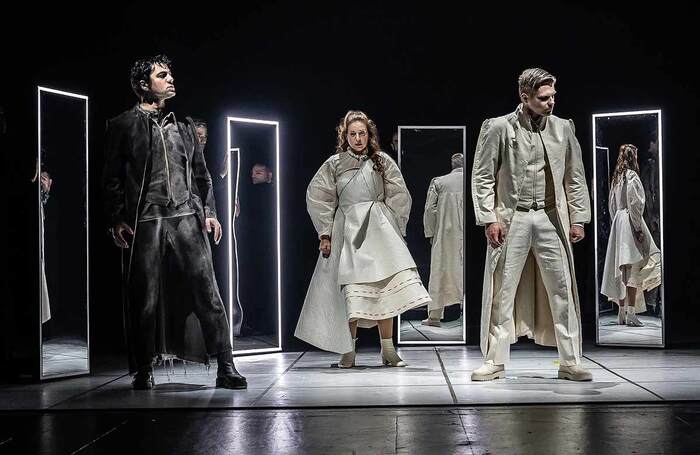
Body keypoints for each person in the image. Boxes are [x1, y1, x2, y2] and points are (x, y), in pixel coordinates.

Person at [102, 54, 246, 390]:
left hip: (185, 215)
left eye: (170, 75)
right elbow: (111, 179)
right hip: (148, 218)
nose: (170, 80)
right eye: (162, 75)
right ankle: (143, 368)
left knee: (208, 292)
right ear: (143, 85)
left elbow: (202, 176)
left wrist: (209, 213)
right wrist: (117, 218)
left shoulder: (184, 127)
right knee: (145, 297)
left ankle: (226, 365)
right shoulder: (122, 125)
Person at [471, 68, 592, 382]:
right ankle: (494, 360)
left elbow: (574, 177)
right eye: (543, 97)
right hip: (514, 217)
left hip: (550, 217)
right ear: (525, 97)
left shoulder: (563, 128)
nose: (551, 102)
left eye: (553, 96)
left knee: (562, 289)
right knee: (502, 289)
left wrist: (578, 218)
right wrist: (490, 218)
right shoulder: (498, 127)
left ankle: (570, 361)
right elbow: (483, 176)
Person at [295, 110, 430, 367]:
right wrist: (325, 232)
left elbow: (399, 193)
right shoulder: (334, 164)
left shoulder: (381, 161)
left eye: (362, 134)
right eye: (353, 134)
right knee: (353, 293)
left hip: (378, 228)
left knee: (385, 291)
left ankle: (388, 350)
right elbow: (319, 197)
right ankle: (349, 351)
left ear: (370, 135)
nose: (358, 138)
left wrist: (394, 225)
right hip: (348, 231)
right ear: (345, 136)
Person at [601, 144, 661, 326]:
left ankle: (621, 312)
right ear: (632, 156)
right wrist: (638, 228)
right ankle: (631, 314)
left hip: (619, 221)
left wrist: (616, 224)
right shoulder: (632, 176)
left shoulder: (617, 177)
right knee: (633, 267)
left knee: (621, 268)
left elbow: (612, 205)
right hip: (628, 220)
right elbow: (635, 204)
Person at [422, 153, 464, 326]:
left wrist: (431, 233)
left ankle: (434, 316)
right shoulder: (472, 182)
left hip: (445, 234)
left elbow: (430, 210)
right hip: (467, 233)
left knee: (440, 271)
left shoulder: (439, 182)